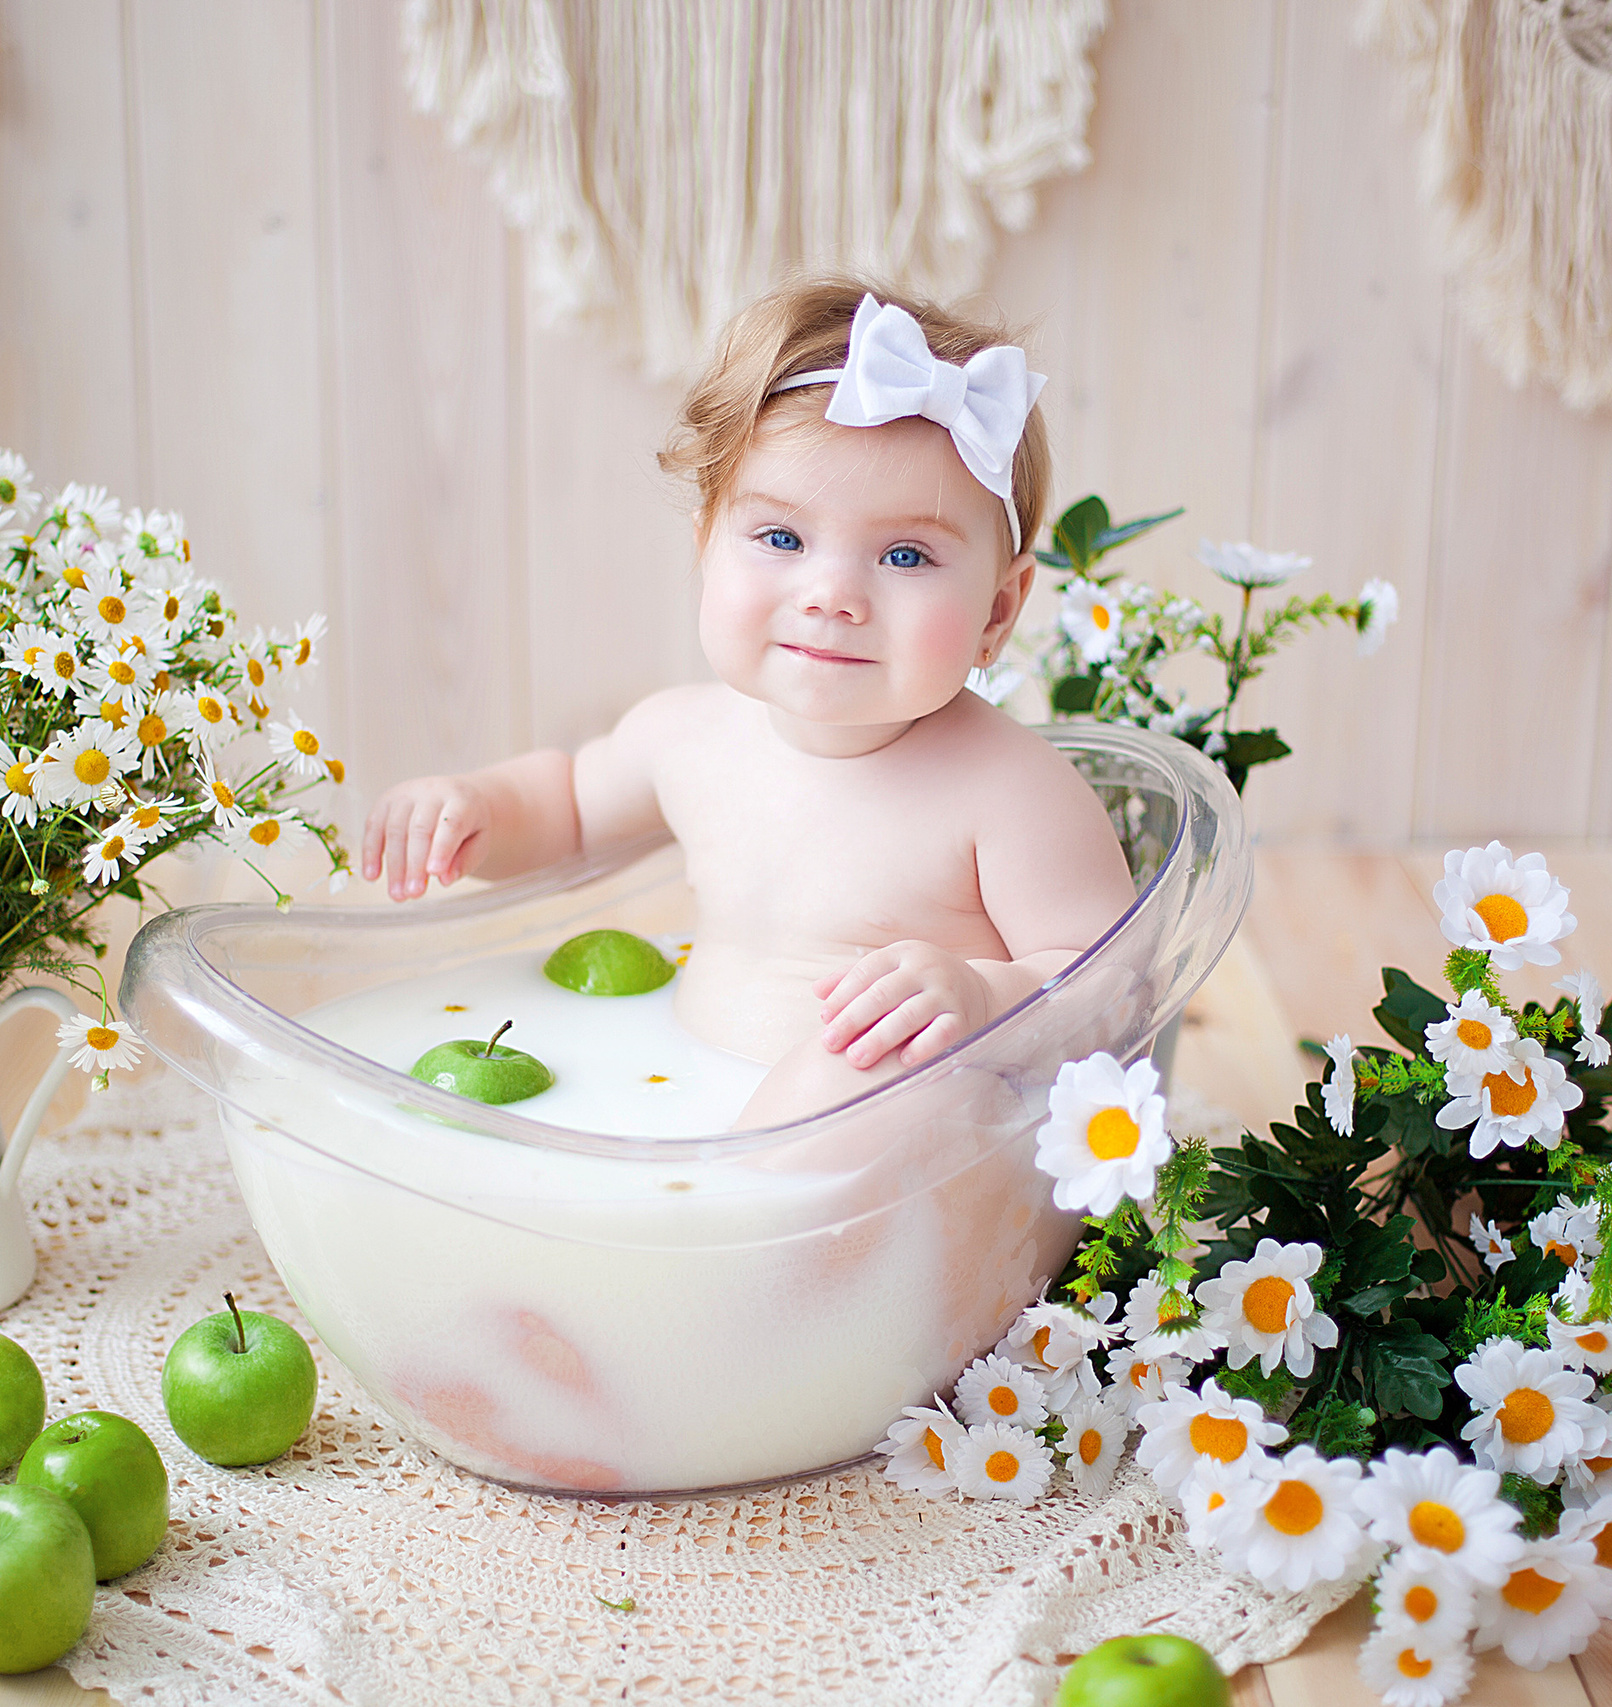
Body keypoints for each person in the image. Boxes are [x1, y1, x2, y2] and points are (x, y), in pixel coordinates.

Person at [358, 277, 1137, 1128]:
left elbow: (1113, 983)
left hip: (923, 1165)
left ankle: (727, 1230)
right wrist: (473, 807)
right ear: (706, 547)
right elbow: (569, 808)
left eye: (907, 556)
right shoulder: (688, 735)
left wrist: (985, 995)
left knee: (855, 1073)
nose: (832, 593)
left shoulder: (1013, 793)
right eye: (781, 538)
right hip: (699, 1108)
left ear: (997, 610)